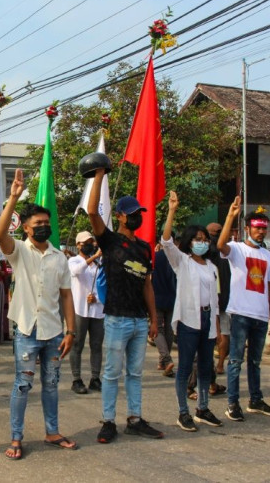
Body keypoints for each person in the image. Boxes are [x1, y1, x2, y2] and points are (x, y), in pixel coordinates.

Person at [0, 169, 77, 460]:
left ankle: (52, 431)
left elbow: (67, 296)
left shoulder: (60, 257)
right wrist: (14, 198)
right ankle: (16, 438)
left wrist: (71, 331)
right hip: (27, 332)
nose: (44, 226)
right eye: (37, 223)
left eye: (46, 222)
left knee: (52, 384)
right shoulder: (18, 251)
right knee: (23, 384)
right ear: (27, 229)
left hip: (54, 333)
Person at [87, 168, 163, 443]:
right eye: (131, 213)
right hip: (117, 318)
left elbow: (146, 285)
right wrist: (98, 176)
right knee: (111, 373)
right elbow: (93, 212)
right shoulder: (109, 241)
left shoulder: (144, 248)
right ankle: (108, 421)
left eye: (139, 212)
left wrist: (154, 319)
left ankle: (135, 418)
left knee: (134, 373)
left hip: (139, 321)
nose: (136, 217)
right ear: (119, 215)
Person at [162, 191, 223, 432]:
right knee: (186, 366)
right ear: (189, 242)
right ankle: (183, 412)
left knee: (206, 366)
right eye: (197, 238)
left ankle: (203, 408)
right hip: (189, 319)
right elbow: (166, 242)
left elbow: (215, 298)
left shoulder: (211, 266)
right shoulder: (182, 261)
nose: (202, 242)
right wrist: (172, 211)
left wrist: (216, 326)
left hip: (208, 319)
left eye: (205, 239)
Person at [217, 197, 270, 421]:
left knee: (255, 362)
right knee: (235, 361)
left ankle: (255, 400)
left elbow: (267, 287)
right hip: (241, 313)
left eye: (264, 227)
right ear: (247, 229)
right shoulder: (237, 249)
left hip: (261, 316)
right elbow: (219, 244)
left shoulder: (268, 255)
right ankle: (233, 403)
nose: (261, 231)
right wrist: (230, 216)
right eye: (257, 227)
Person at [68, 230, 104, 394]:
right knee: (77, 344)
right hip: (79, 309)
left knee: (96, 345)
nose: (90, 245)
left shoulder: (99, 264)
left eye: (92, 241)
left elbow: (103, 283)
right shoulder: (73, 261)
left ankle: (95, 378)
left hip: (97, 310)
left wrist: (96, 297)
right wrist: (93, 257)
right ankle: (76, 379)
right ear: (78, 245)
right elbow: (77, 272)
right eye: (86, 242)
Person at [207, 222, 231, 376]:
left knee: (212, 332)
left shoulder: (209, 251)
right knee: (225, 332)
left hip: (212, 299)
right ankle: (221, 364)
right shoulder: (229, 251)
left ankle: (212, 364)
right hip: (228, 298)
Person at [152, 236, 177, 378]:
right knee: (168, 328)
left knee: (157, 328)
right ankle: (163, 361)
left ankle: (166, 359)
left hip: (156, 296)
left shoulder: (155, 257)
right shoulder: (176, 257)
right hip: (172, 297)